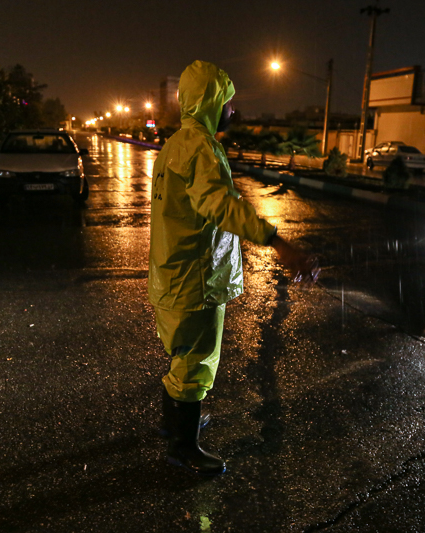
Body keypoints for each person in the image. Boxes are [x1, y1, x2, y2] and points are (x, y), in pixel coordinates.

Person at [148, 60, 317, 476]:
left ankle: (175, 424)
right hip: (196, 277)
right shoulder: (201, 149)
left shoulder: (174, 145)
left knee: (182, 354)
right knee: (196, 361)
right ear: (210, 102)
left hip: (172, 272)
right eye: (227, 102)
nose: (232, 110)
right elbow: (221, 207)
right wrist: (277, 242)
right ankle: (183, 448)